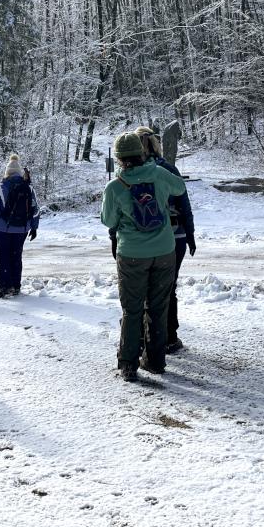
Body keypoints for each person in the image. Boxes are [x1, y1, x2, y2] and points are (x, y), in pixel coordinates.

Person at [101, 133, 186, 382]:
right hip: (164, 251)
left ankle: (128, 364)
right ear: (142, 152)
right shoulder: (159, 174)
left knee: (132, 309)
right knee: (159, 308)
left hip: (132, 255)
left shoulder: (115, 186)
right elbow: (179, 188)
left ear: (119, 158)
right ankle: (156, 361)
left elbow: (109, 220)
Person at [135, 126, 196, 353]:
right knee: (168, 287)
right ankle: (169, 336)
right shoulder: (168, 170)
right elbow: (184, 206)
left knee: (142, 289)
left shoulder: (132, 172)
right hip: (174, 235)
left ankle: (143, 337)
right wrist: (190, 235)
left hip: (140, 239)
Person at [0, 153, 40, 298]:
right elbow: (36, 210)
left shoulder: (1, 187)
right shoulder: (29, 188)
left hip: (2, 229)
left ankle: (5, 287)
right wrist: (34, 228)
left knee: (3, 257)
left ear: (7, 172)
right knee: (16, 257)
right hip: (22, 229)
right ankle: (16, 286)